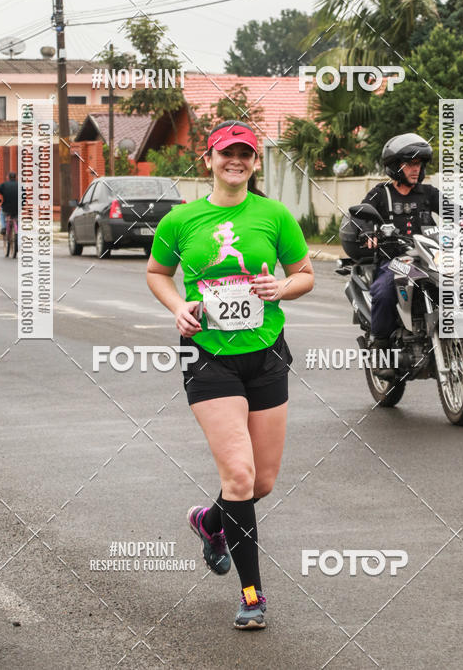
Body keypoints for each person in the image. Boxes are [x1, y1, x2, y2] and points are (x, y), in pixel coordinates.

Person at [146, 120, 314, 630]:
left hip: (266, 354)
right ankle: (252, 596)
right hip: (207, 356)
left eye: (244, 154)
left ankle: (209, 521)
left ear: (255, 162)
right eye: (226, 153)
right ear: (209, 159)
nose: (234, 161)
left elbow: (306, 273)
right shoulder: (182, 221)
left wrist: (279, 289)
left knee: (260, 481)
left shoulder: (274, 215)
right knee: (237, 475)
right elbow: (157, 273)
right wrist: (178, 307)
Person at [361, 133, 463, 380]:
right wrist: (368, 232)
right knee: (384, 291)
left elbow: (454, 211)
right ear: (396, 166)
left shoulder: (428, 193)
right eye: (410, 164)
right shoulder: (381, 193)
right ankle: (379, 348)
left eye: (419, 164)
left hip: (428, 256)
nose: (416, 169)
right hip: (396, 260)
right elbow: (362, 216)